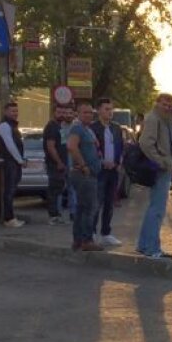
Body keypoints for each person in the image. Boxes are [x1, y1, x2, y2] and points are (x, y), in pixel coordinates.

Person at [137, 93, 172, 258]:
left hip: (164, 168)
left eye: (169, 105)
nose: (167, 107)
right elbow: (145, 143)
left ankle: (145, 245)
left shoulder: (165, 120)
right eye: (164, 104)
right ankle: (152, 248)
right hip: (160, 169)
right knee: (157, 210)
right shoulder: (154, 119)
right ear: (157, 103)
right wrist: (161, 161)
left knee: (155, 208)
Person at [67, 100, 103, 251]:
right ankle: (86, 240)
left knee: (82, 208)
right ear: (78, 113)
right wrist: (84, 165)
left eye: (90, 112)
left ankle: (78, 240)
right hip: (83, 174)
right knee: (90, 207)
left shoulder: (87, 129)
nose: (88, 115)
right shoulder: (77, 128)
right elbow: (71, 146)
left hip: (90, 173)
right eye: (85, 112)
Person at [89, 98, 124, 247]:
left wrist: (119, 162)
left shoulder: (116, 128)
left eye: (111, 109)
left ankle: (106, 233)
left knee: (110, 203)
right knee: (97, 202)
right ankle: (91, 232)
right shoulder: (92, 128)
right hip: (99, 170)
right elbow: (90, 150)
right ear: (98, 110)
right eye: (106, 109)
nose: (110, 112)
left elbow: (121, 147)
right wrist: (102, 162)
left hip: (114, 171)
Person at [0, 101, 27, 228]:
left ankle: (10, 217)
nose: (15, 113)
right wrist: (20, 160)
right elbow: (10, 145)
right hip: (9, 162)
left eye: (16, 111)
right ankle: (9, 218)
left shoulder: (12, 126)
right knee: (9, 191)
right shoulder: (4, 126)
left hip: (13, 162)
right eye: (12, 111)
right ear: (5, 112)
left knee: (11, 190)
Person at [42, 103, 71, 225]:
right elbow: (51, 146)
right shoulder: (51, 127)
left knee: (58, 188)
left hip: (62, 163)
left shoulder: (60, 126)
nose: (62, 115)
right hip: (55, 164)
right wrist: (58, 162)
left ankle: (57, 215)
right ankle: (53, 216)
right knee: (54, 190)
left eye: (64, 113)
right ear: (54, 112)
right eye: (59, 112)